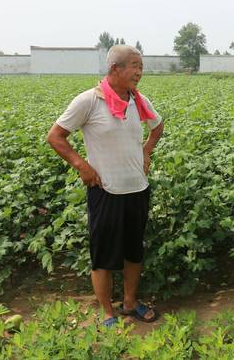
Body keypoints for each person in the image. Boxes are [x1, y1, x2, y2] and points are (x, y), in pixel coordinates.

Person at [47, 45, 164, 327]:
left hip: (137, 188)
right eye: (134, 66)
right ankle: (107, 311)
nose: (139, 72)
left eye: (141, 66)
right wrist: (82, 166)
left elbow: (157, 127)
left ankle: (130, 302)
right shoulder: (89, 101)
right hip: (106, 191)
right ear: (115, 69)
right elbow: (56, 137)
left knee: (133, 251)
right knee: (103, 255)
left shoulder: (139, 101)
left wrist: (146, 151)